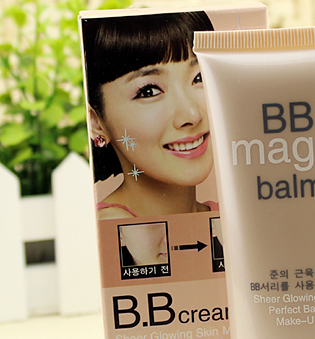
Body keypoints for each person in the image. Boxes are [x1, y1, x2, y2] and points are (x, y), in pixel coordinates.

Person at [82, 12, 217, 219]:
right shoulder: (114, 226)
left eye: (199, 77)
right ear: (96, 122)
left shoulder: (228, 215)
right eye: (149, 91)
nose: (191, 115)